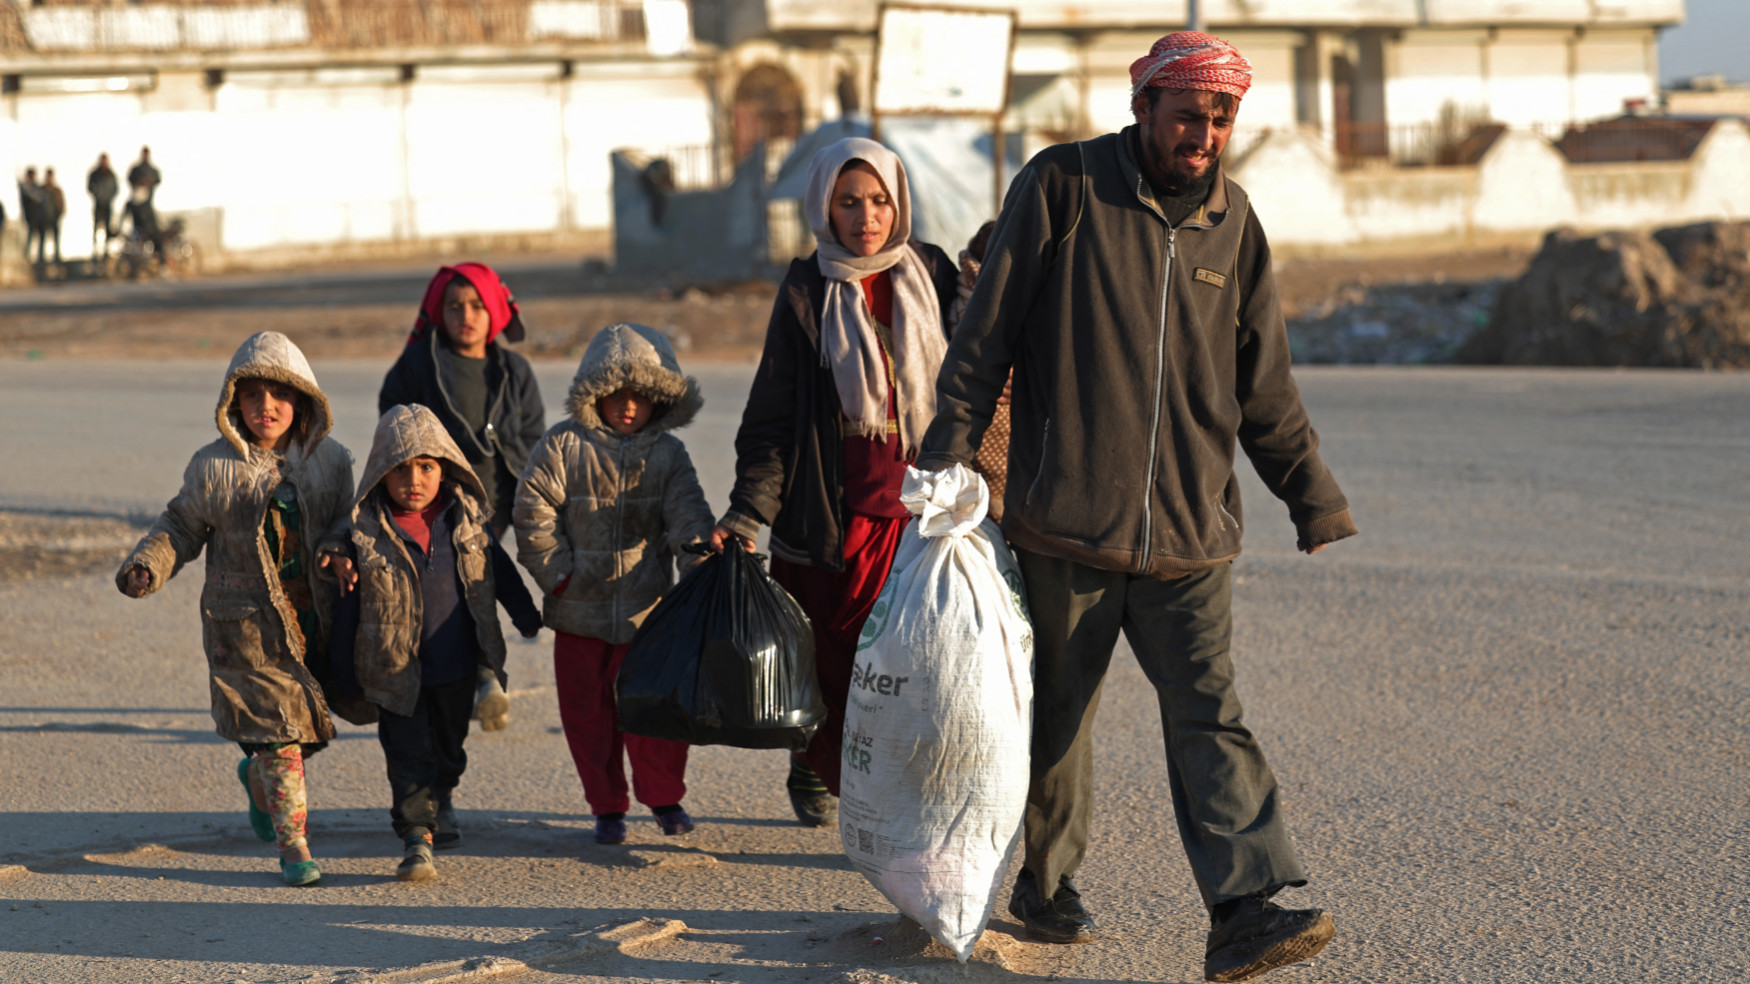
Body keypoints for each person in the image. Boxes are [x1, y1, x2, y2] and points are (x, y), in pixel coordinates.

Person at [915, 32, 1356, 982]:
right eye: (1189, 115)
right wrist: (944, 461)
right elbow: (984, 341)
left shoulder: (1235, 222)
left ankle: (1243, 909)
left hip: (1192, 532)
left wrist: (1311, 494)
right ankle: (1046, 882)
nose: (1205, 134)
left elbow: (1264, 382)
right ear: (1144, 107)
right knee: (1058, 719)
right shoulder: (1064, 187)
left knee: (1210, 713)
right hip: (1065, 523)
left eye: (1221, 119)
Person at [706, 137, 959, 828]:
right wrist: (747, 512)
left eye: (879, 201)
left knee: (909, 666)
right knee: (834, 664)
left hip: (919, 516)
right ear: (824, 207)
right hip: (830, 518)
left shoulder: (933, 274)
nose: (866, 217)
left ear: (899, 203)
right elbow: (773, 418)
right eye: (849, 202)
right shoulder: (806, 290)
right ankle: (814, 761)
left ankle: (887, 796)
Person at [116, 331, 358, 887]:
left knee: (307, 728)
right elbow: (180, 525)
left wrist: (338, 548)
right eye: (252, 395)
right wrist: (148, 564)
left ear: (303, 399)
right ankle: (294, 844)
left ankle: (257, 778)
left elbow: (347, 518)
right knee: (279, 733)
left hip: (310, 618)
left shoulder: (330, 461)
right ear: (233, 402)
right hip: (246, 625)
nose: (265, 406)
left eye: (280, 394)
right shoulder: (213, 466)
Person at [514, 322, 714, 846]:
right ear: (593, 394)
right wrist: (558, 576)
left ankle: (664, 798)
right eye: (616, 394)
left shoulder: (668, 455)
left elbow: (688, 517)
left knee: (653, 711)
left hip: (647, 615)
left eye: (641, 396)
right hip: (578, 611)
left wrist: (698, 571)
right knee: (588, 719)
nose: (628, 406)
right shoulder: (562, 445)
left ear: (660, 400)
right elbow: (532, 513)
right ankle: (606, 807)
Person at [327, 404, 542, 882]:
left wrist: (525, 615)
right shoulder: (364, 536)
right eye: (400, 469)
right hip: (393, 673)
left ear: (446, 467)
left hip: (456, 665)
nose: (414, 480)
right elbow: (347, 610)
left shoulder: (467, 523)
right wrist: (343, 672)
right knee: (406, 757)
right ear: (380, 473)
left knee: (449, 749)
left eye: (426, 466)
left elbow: (499, 573)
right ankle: (416, 838)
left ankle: (442, 795)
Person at [379, 263, 545, 732]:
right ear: (439, 312)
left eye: (476, 306)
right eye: (454, 306)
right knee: (447, 591)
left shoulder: (514, 370)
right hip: (437, 501)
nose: (465, 316)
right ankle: (453, 676)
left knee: (480, 584)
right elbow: (392, 417)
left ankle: (485, 676)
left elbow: (533, 433)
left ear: (494, 312)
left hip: (497, 500)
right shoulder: (419, 364)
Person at [88, 153, 119, 255]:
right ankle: (95, 250)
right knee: (96, 227)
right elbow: (90, 187)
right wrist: (97, 194)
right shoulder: (95, 174)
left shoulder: (111, 174)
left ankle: (106, 250)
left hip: (107, 205)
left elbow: (115, 189)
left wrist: (109, 197)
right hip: (98, 204)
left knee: (107, 227)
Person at [18, 168, 44, 266]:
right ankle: (26, 257)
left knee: (40, 237)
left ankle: (40, 258)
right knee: (30, 237)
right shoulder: (25, 189)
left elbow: (40, 199)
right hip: (30, 217)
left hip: (39, 217)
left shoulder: (37, 188)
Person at [40, 168, 65, 266]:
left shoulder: (57, 190)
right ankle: (41, 258)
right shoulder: (42, 190)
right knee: (43, 238)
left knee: (56, 238)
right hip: (44, 218)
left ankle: (57, 256)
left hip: (55, 218)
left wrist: (60, 214)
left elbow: (61, 204)